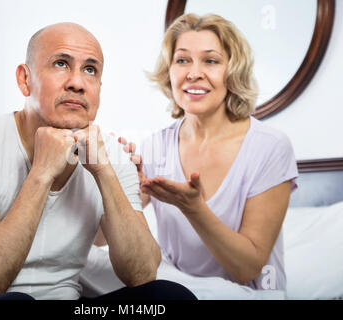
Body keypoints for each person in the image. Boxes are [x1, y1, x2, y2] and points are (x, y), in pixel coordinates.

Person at [0, 22, 196, 300]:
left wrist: (104, 172)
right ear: (24, 79)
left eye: (90, 70)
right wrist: (42, 174)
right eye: (61, 64)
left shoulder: (110, 154)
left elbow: (142, 275)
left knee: (169, 296)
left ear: (99, 89)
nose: (77, 83)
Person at [118, 13, 299, 292]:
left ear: (233, 71)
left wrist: (194, 209)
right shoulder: (155, 146)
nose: (193, 72)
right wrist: (110, 177)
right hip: (176, 292)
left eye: (211, 61)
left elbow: (247, 268)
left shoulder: (270, 147)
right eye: (182, 60)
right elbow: (98, 241)